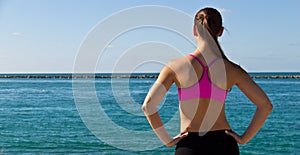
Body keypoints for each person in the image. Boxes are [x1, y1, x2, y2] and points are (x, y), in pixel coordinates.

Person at [142, 7, 273, 155]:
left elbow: (148, 106)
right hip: (223, 145)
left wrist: (167, 140)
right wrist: (244, 139)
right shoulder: (232, 69)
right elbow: (265, 105)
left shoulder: (175, 66)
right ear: (221, 31)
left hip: (190, 146)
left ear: (194, 30)